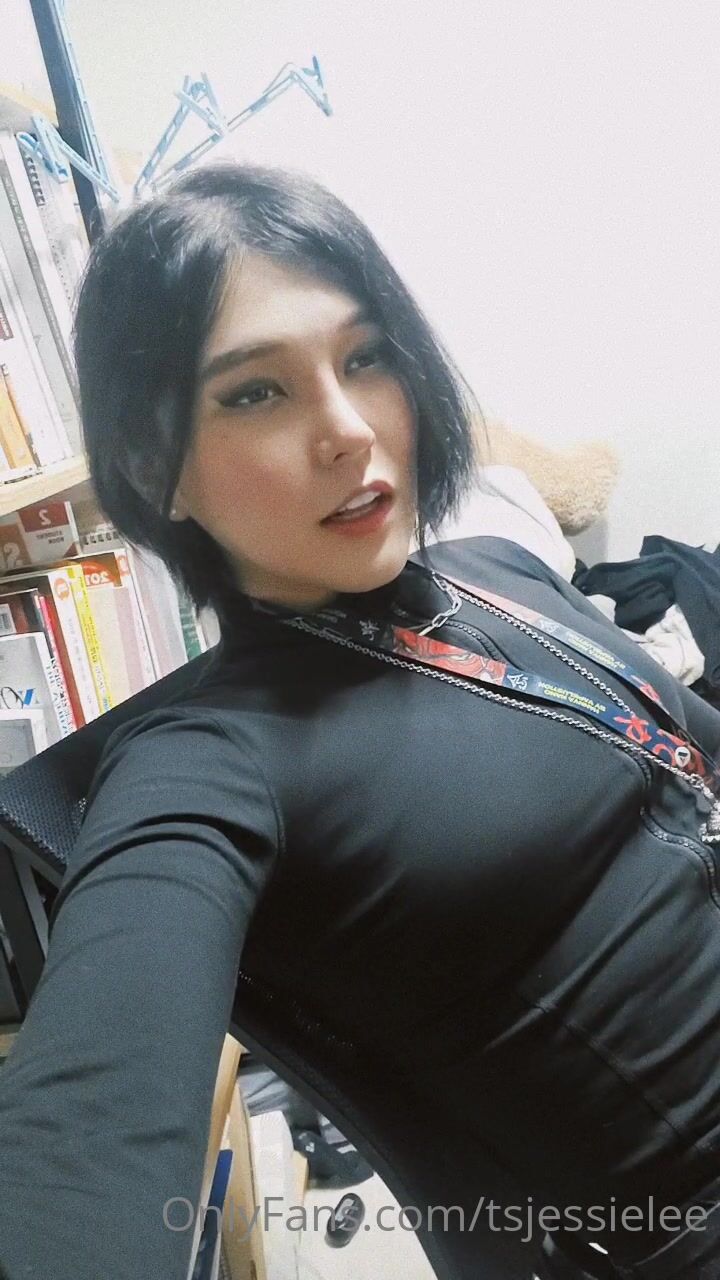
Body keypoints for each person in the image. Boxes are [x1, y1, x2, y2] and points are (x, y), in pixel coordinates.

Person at [0, 159, 719, 1280]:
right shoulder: (202, 765)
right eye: (255, 392)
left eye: (365, 357)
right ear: (152, 463)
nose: (348, 429)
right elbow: (84, 1134)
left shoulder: (494, 566)